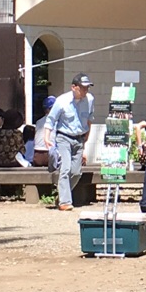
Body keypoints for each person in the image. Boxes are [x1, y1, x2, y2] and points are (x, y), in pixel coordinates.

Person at [42, 73, 94, 211]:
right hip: (63, 138)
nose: (85, 90)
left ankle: (62, 195)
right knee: (65, 169)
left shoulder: (90, 99)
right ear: (74, 87)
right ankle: (65, 202)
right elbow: (51, 120)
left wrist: (87, 139)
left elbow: (89, 119)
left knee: (76, 172)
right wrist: (47, 137)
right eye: (83, 87)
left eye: (87, 87)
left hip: (80, 138)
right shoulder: (62, 101)